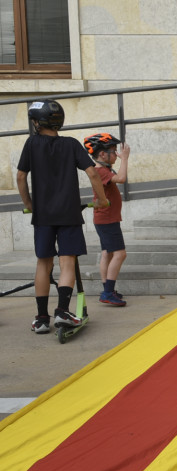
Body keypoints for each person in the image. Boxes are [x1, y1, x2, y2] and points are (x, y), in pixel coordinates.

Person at [16, 100, 108, 333]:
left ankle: (41, 318)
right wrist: (101, 199)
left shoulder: (32, 143)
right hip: (69, 213)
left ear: (39, 122)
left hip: (43, 215)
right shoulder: (71, 144)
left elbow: (20, 177)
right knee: (67, 261)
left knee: (43, 263)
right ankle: (62, 311)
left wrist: (29, 204)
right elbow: (92, 173)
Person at [85, 133, 130, 306]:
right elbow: (122, 179)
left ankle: (107, 289)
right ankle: (108, 292)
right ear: (103, 154)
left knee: (108, 253)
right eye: (113, 151)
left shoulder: (102, 169)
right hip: (107, 220)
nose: (117, 155)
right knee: (120, 254)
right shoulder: (100, 171)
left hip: (105, 219)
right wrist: (125, 159)